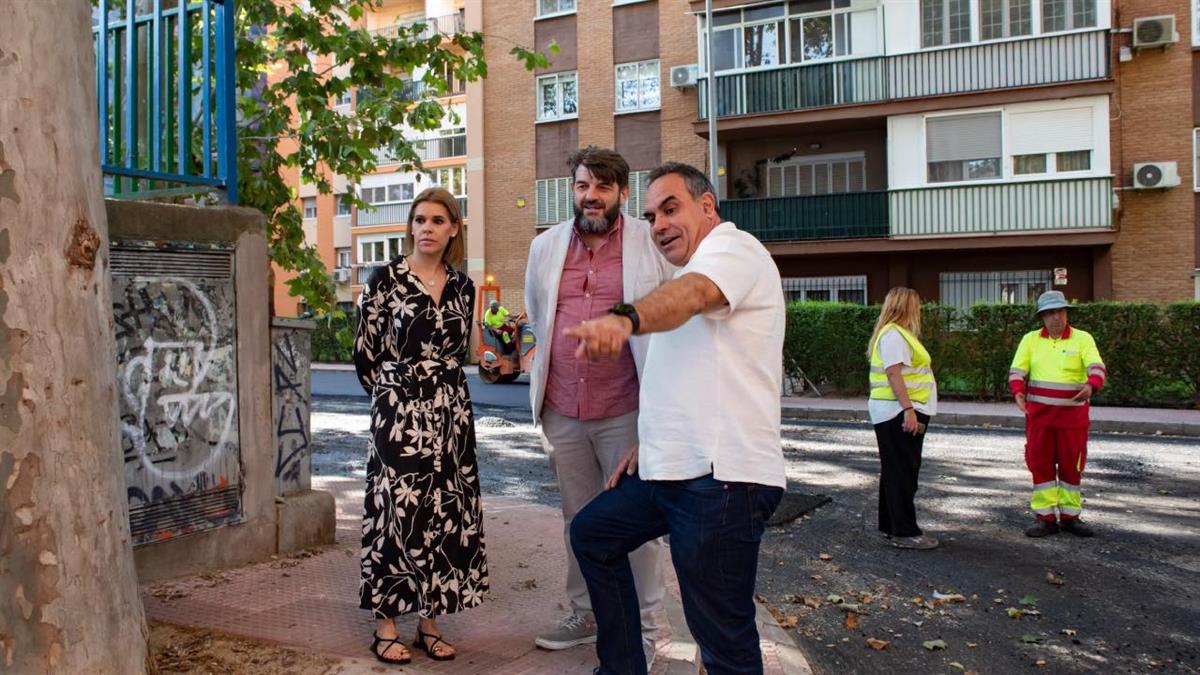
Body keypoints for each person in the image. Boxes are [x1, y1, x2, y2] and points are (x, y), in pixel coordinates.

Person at [565, 162, 786, 675]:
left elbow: (693, 299)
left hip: (720, 481)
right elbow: (694, 373)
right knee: (594, 535)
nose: (659, 225)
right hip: (671, 471)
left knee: (723, 642)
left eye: (671, 209)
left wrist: (625, 318)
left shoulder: (734, 250)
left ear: (707, 207)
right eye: (650, 216)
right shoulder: (688, 271)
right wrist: (650, 440)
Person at [524, 147, 673, 658]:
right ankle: (584, 614)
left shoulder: (648, 243)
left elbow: (670, 320)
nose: (591, 196)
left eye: (603, 187)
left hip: (628, 412)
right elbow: (537, 316)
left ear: (622, 193)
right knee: (577, 519)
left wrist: (656, 417)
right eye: (583, 185)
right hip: (563, 408)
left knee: (641, 527)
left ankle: (649, 631)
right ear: (573, 189)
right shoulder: (545, 248)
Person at [353, 187, 488, 664]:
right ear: (410, 226)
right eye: (420, 220)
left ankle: (430, 621)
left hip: (451, 414)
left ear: (453, 228)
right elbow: (365, 355)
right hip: (398, 412)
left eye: (437, 220)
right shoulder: (384, 279)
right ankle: (385, 624)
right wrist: (396, 399)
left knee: (446, 513)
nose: (427, 228)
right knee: (395, 513)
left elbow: (463, 351)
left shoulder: (463, 287)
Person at [1009, 290, 1107, 538]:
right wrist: (1018, 391)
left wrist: (1091, 385)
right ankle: (1045, 518)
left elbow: (1096, 367)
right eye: (1050, 313)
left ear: (1066, 313)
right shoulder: (1030, 340)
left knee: (1071, 468)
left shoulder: (1082, 339)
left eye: (1060, 311)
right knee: (1039, 466)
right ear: (1042, 317)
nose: (1056, 317)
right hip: (1039, 417)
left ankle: (1070, 517)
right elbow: (1017, 370)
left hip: (1072, 419)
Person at [866, 287, 939, 550]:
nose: (919, 311)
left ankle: (891, 525)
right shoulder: (895, 335)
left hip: (893, 410)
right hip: (899, 411)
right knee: (903, 471)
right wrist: (909, 409)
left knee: (894, 470)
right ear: (907, 307)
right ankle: (905, 532)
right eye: (916, 306)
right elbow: (894, 374)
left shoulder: (893, 334)